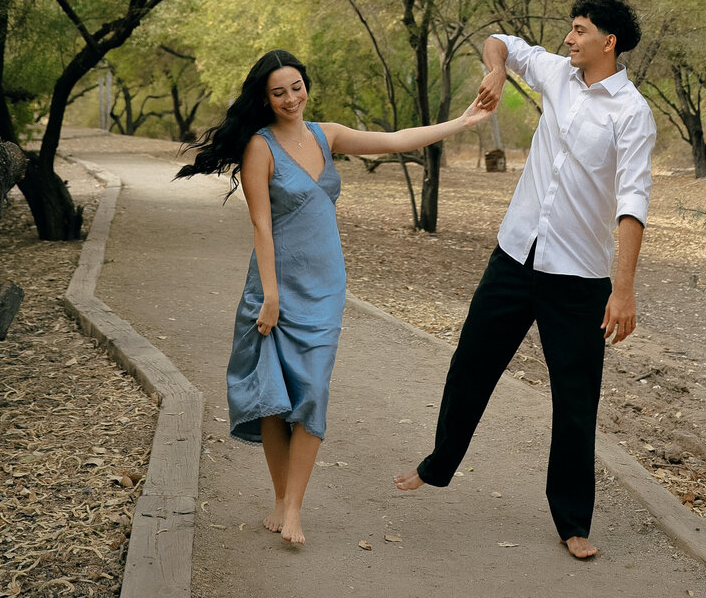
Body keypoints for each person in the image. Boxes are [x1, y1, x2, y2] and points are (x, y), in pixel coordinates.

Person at [179, 48, 489, 547]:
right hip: (275, 289)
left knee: (313, 393)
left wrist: (463, 121)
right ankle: (282, 500)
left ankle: (296, 508)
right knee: (277, 401)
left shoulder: (328, 134)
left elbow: (394, 139)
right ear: (264, 97)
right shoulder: (260, 146)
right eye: (278, 92)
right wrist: (271, 295)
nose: (290, 98)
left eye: (296, 87)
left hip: (325, 288)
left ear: (307, 86)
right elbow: (260, 223)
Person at [394, 0, 656, 559]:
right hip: (515, 255)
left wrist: (624, 286)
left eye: (580, 31)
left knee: (575, 398)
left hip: (579, 277)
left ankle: (572, 521)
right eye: (570, 30)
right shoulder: (556, 74)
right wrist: (494, 71)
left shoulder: (632, 113)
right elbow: (501, 43)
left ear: (608, 42)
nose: (569, 39)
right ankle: (439, 464)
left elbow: (633, 201)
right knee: (471, 362)